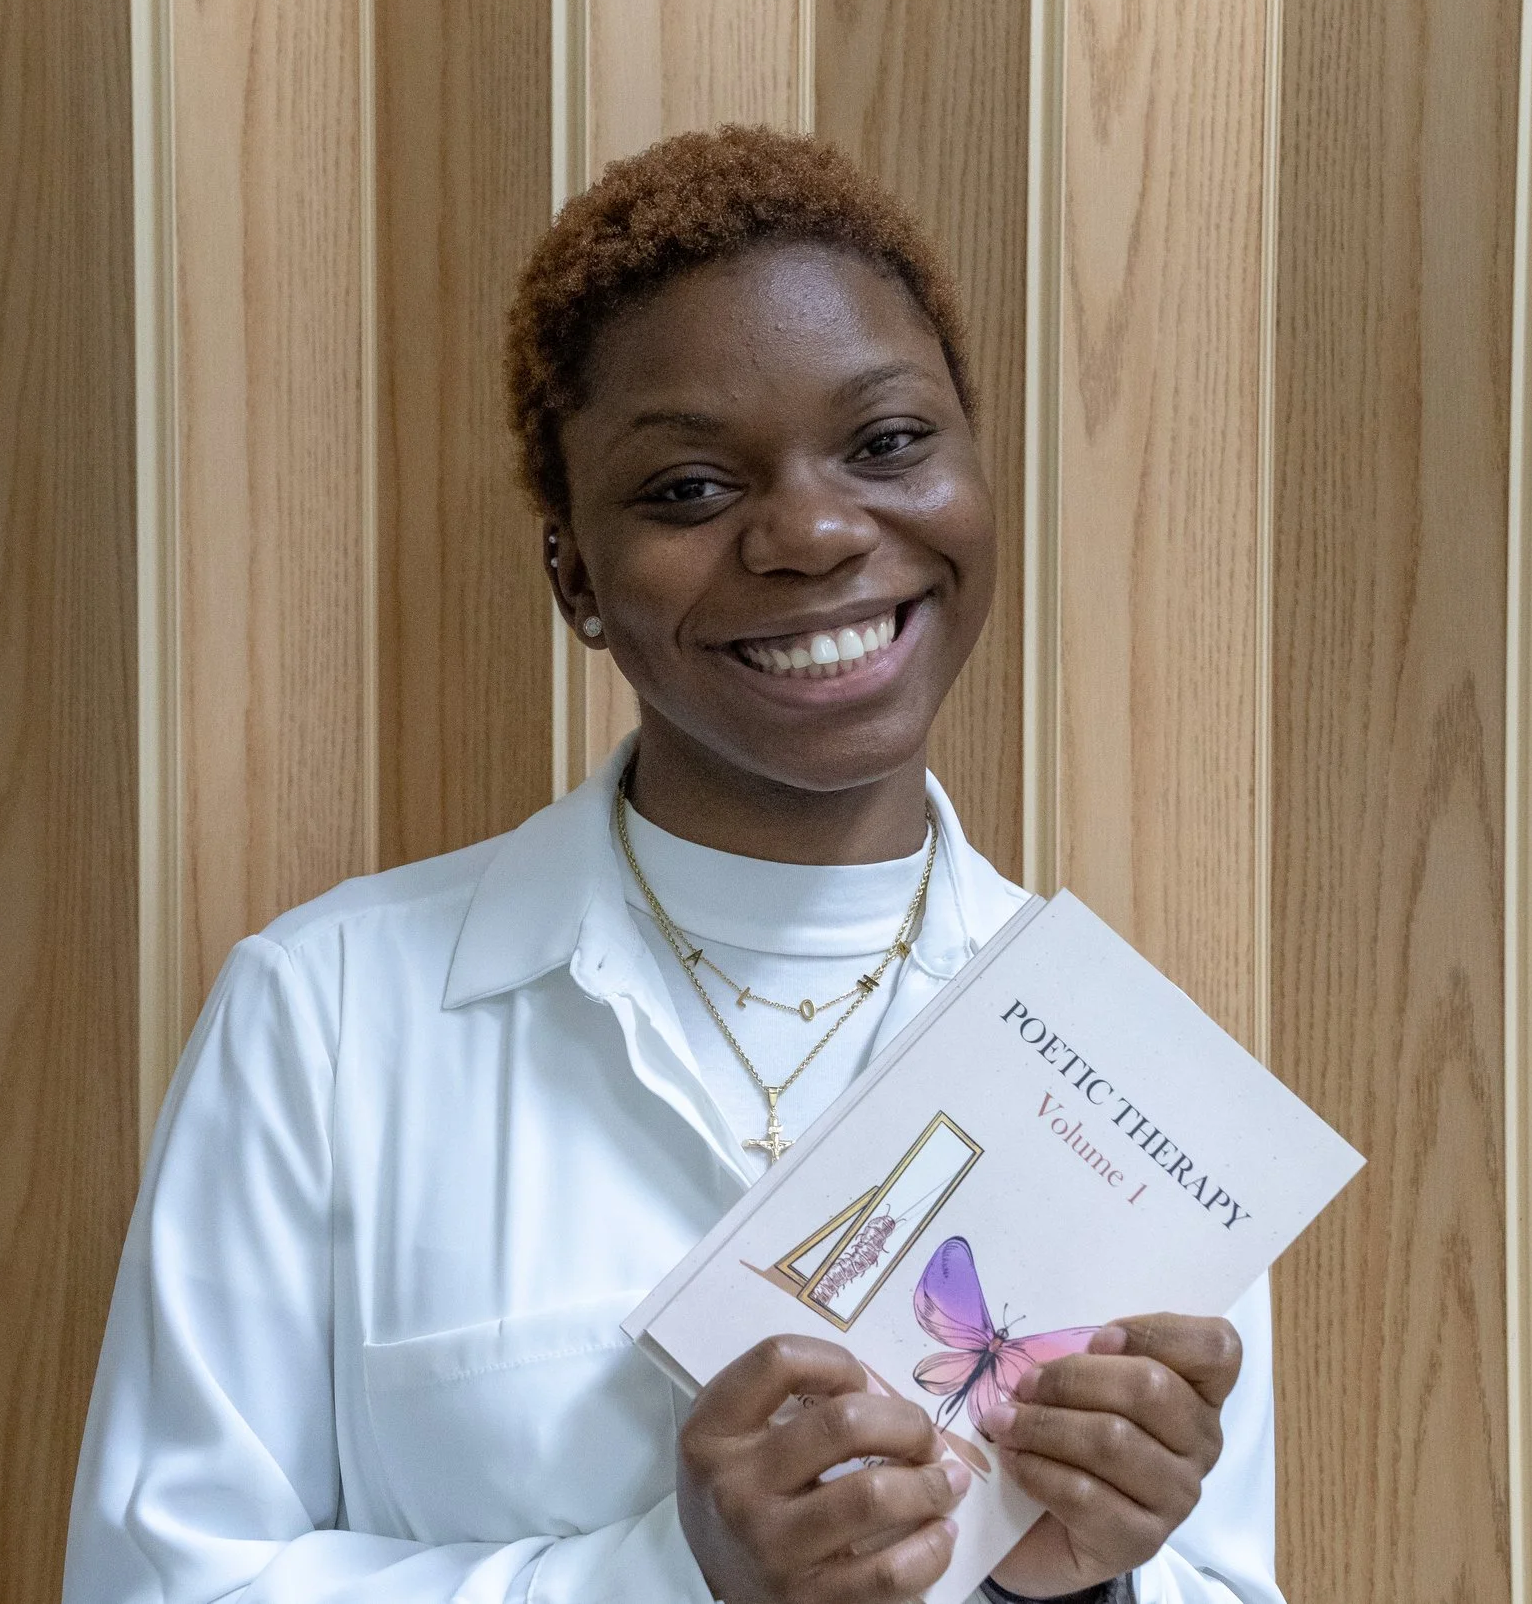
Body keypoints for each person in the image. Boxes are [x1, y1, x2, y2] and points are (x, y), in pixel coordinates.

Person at [63, 127, 1277, 1604]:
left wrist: (1082, 1586)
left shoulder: (1125, 1091)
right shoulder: (322, 1022)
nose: (817, 530)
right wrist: (662, 1579)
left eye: (888, 442)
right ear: (574, 572)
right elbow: (156, 1584)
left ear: (975, 467)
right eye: (691, 489)